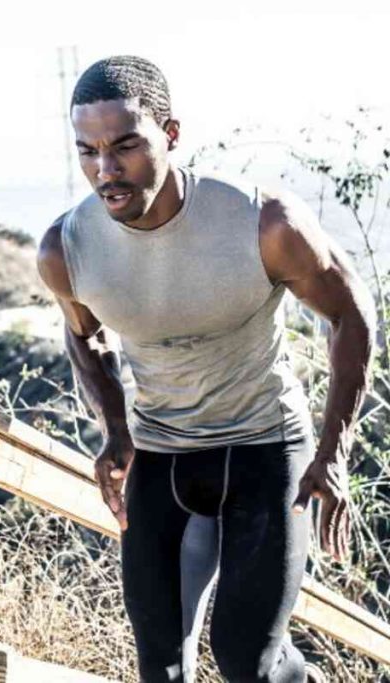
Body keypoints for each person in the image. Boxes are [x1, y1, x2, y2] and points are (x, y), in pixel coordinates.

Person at [36, 55, 375, 682]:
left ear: (170, 134)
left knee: (248, 659)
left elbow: (351, 315)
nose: (105, 171)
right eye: (87, 151)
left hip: (266, 449)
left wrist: (333, 451)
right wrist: (115, 428)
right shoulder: (68, 248)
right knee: (159, 666)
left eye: (125, 146)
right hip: (164, 454)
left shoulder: (263, 222)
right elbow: (83, 335)